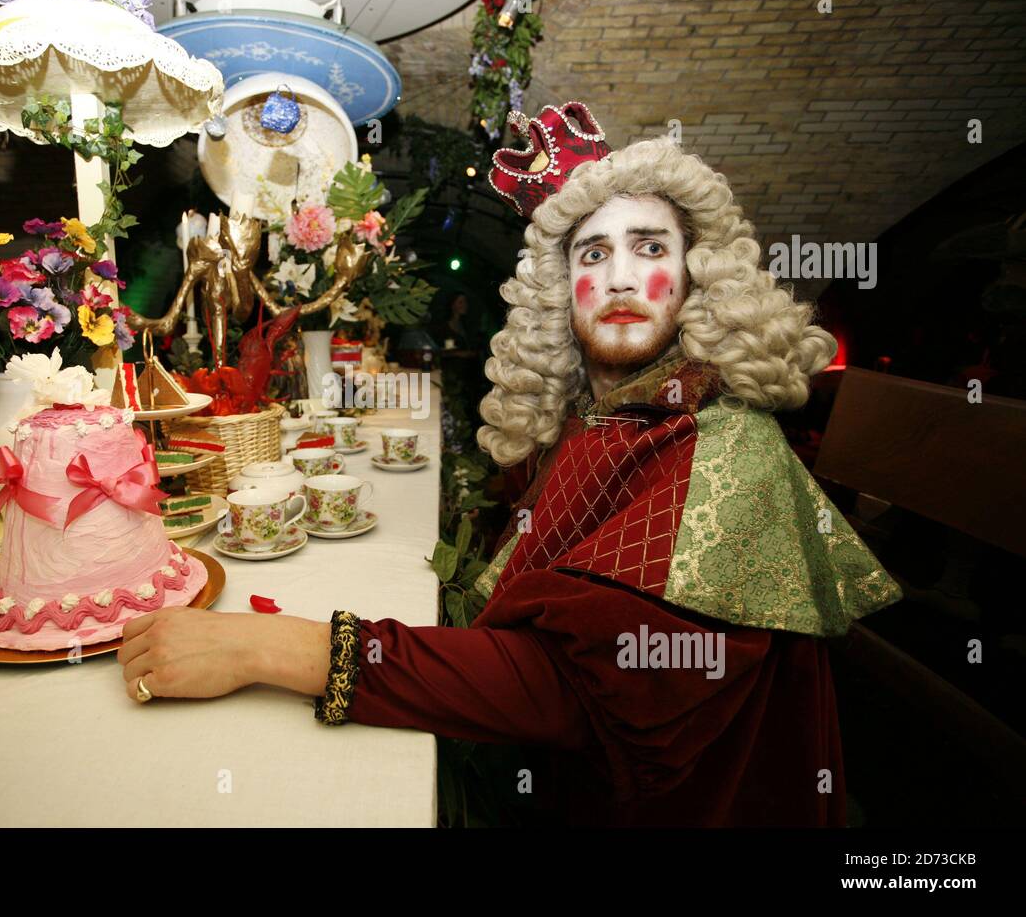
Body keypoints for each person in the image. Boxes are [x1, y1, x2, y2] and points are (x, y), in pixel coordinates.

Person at [118, 102, 902, 825]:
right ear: (562, 292)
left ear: (698, 278)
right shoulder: (611, 416)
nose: (621, 276)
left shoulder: (730, 448)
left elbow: (572, 686)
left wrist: (272, 648)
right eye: (594, 253)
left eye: (650, 248)